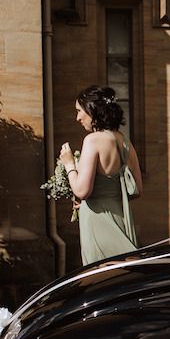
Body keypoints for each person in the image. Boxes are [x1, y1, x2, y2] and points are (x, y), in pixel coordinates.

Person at [60, 85, 142, 265]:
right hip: (121, 218)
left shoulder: (93, 140)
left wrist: (69, 164)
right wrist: (99, 201)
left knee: (100, 277)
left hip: (97, 224)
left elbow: (82, 191)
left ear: (92, 110)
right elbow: (137, 189)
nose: (77, 117)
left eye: (79, 111)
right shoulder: (124, 141)